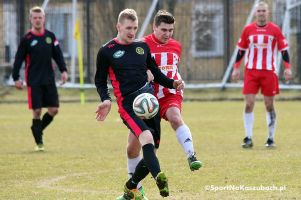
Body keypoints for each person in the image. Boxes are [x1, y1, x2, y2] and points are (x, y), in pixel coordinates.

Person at [94, 9, 184, 199]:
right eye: (128, 28)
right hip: (129, 106)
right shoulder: (107, 51)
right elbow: (100, 81)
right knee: (147, 140)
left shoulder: (142, 48)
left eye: (135, 28)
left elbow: (156, 73)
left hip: (150, 102)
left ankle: (131, 188)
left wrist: (172, 83)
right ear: (118, 26)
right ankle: (159, 177)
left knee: (150, 147)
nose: (132, 32)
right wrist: (106, 100)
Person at [125, 10, 203, 196]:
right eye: (164, 30)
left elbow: (173, 69)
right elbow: (133, 69)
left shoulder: (176, 46)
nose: (168, 34)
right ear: (154, 27)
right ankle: (135, 186)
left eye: (171, 30)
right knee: (132, 148)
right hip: (146, 98)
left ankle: (191, 155)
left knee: (175, 117)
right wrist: (144, 73)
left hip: (169, 93)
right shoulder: (141, 45)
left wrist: (178, 81)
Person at [231, 1, 292, 148]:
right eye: (259, 11)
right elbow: (241, 50)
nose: (261, 13)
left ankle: (270, 138)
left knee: (269, 105)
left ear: (268, 13)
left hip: (269, 72)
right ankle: (248, 137)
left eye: (264, 11)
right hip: (251, 72)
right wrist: (236, 68)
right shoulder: (248, 30)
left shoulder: (275, 30)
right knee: (249, 103)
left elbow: (284, 50)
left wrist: (288, 68)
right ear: (255, 13)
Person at [12, 6, 68, 151]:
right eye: (35, 17)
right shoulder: (27, 39)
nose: (37, 20)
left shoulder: (50, 36)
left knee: (54, 110)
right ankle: (39, 142)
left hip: (49, 79)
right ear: (30, 19)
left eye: (40, 17)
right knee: (36, 111)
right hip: (33, 80)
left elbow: (58, 55)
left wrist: (63, 70)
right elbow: (18, 60)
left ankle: (37, 129)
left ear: (44, 19)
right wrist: (16, 77)